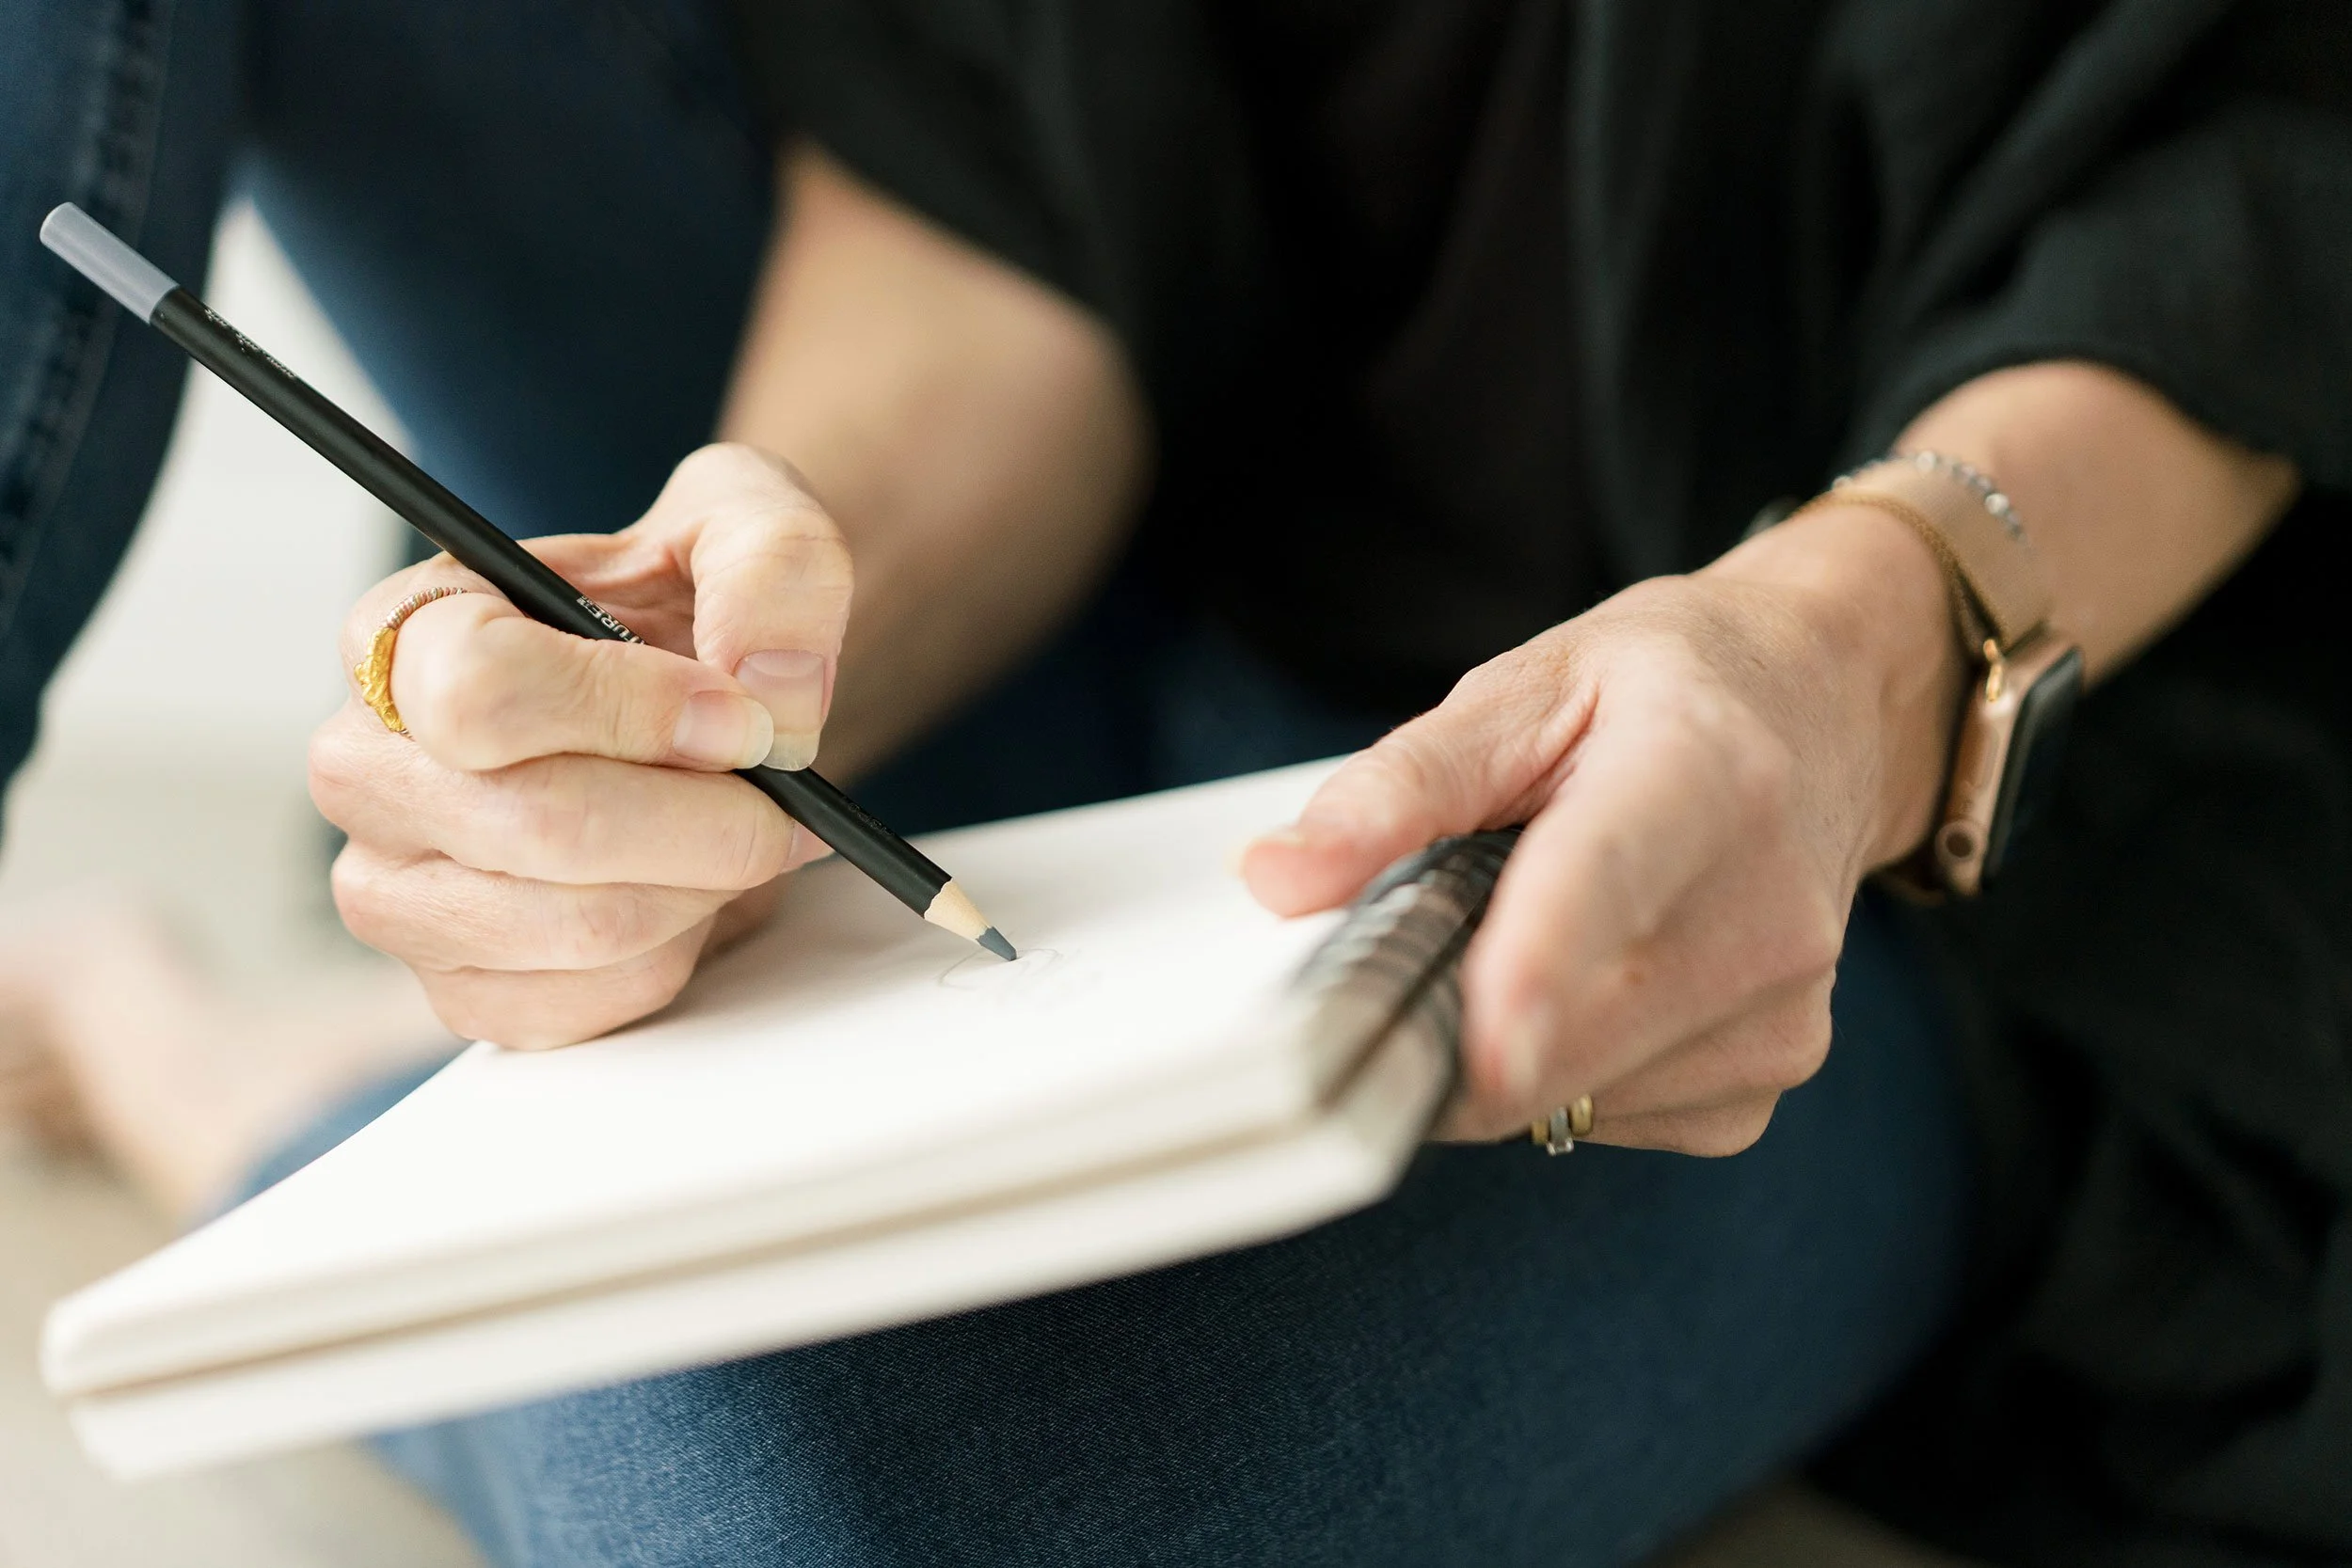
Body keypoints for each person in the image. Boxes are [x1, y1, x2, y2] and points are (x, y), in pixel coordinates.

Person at [2, 1, 2347, 1564]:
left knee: (784, 1501)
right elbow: (993, 175)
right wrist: (763, 639)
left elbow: (2248, 192)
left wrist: (1838, 660)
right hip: (1092, 592)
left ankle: (230, 1085)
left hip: (1807, 844)